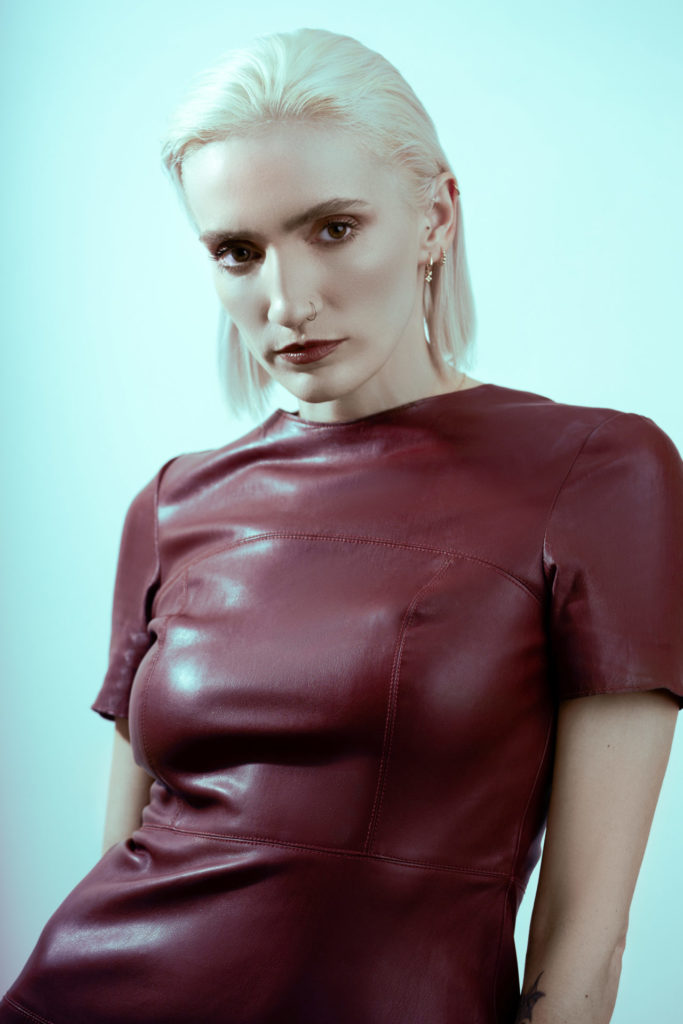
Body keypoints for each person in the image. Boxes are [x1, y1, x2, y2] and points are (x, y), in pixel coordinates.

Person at [1, 26, 681, 1024]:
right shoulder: (174, 501)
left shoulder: (601, 472)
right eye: (238, 251)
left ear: (434, 217)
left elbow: (586, 935)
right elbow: (122, 847)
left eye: (331, 229)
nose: (286, 301)